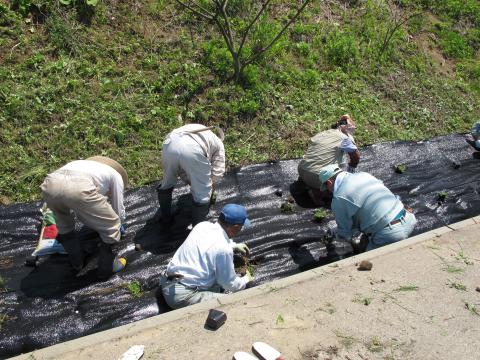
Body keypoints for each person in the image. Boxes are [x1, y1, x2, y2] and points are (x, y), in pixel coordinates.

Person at [40, 156, 127, 279]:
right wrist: (119, 224)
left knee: (64, 225)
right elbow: (118, 208)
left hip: (50, 184)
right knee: (112, 225)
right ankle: (106, 268)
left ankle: (77, 263)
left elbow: (78, 206)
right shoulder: (115, 175)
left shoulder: (81, 165)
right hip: (78, 188)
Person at [160, 204, 253, 309]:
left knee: (215, 281)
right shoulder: (223, 249)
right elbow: (229, 283)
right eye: (240, 227)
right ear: (235, 227)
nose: (240, 230)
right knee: (230, 302)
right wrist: (245, 280)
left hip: (167, 282)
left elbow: (210, 242)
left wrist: (233, 245)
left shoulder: (202, 225)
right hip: (182, 296)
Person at [318, 164, 417, 251]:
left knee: (364, 257)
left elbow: (345, 233)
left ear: (330, 182)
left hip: (390, 234)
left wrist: (335, 233)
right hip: (409, 219)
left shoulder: (339, 198)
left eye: (326, 187)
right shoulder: (363, 175)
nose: (328, 190)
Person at [157, 124, 225, 226]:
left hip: (169, 144)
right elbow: (217, 173)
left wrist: (192, 181)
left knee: (167, 182)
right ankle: (197, 230)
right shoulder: (219, 145)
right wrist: (209, 190)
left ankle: (166, 218)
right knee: (202, 195)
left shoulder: (199, 130)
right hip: (192, 148)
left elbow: (182, 167)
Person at [297, 114, 360, 206]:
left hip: (302, 170)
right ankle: (318, 195)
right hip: (317, 176)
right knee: (342, 184)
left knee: (320, 168)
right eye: (352, 130)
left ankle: (310, 185)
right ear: (345, 129)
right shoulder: (344, 138)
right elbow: (356, 157)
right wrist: (351, 169)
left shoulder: (323, 134)